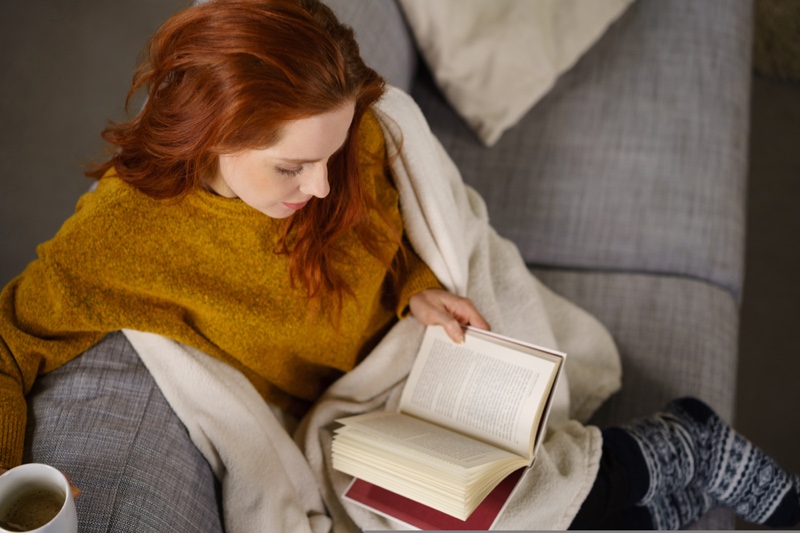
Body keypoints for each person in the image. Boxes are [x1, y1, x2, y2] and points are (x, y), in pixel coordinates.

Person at [0, 0, 797, 530]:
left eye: (332, 155)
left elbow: (397, 213)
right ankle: (679, 448)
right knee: (486, 508)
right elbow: (8, 344)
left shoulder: (350, 142)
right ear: (212, 136)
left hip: (418, 346)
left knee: (511, 493)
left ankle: (674, 458)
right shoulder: (123, 238)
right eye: (291, 169)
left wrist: (418, 284)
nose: (320, 186)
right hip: (345, 415)